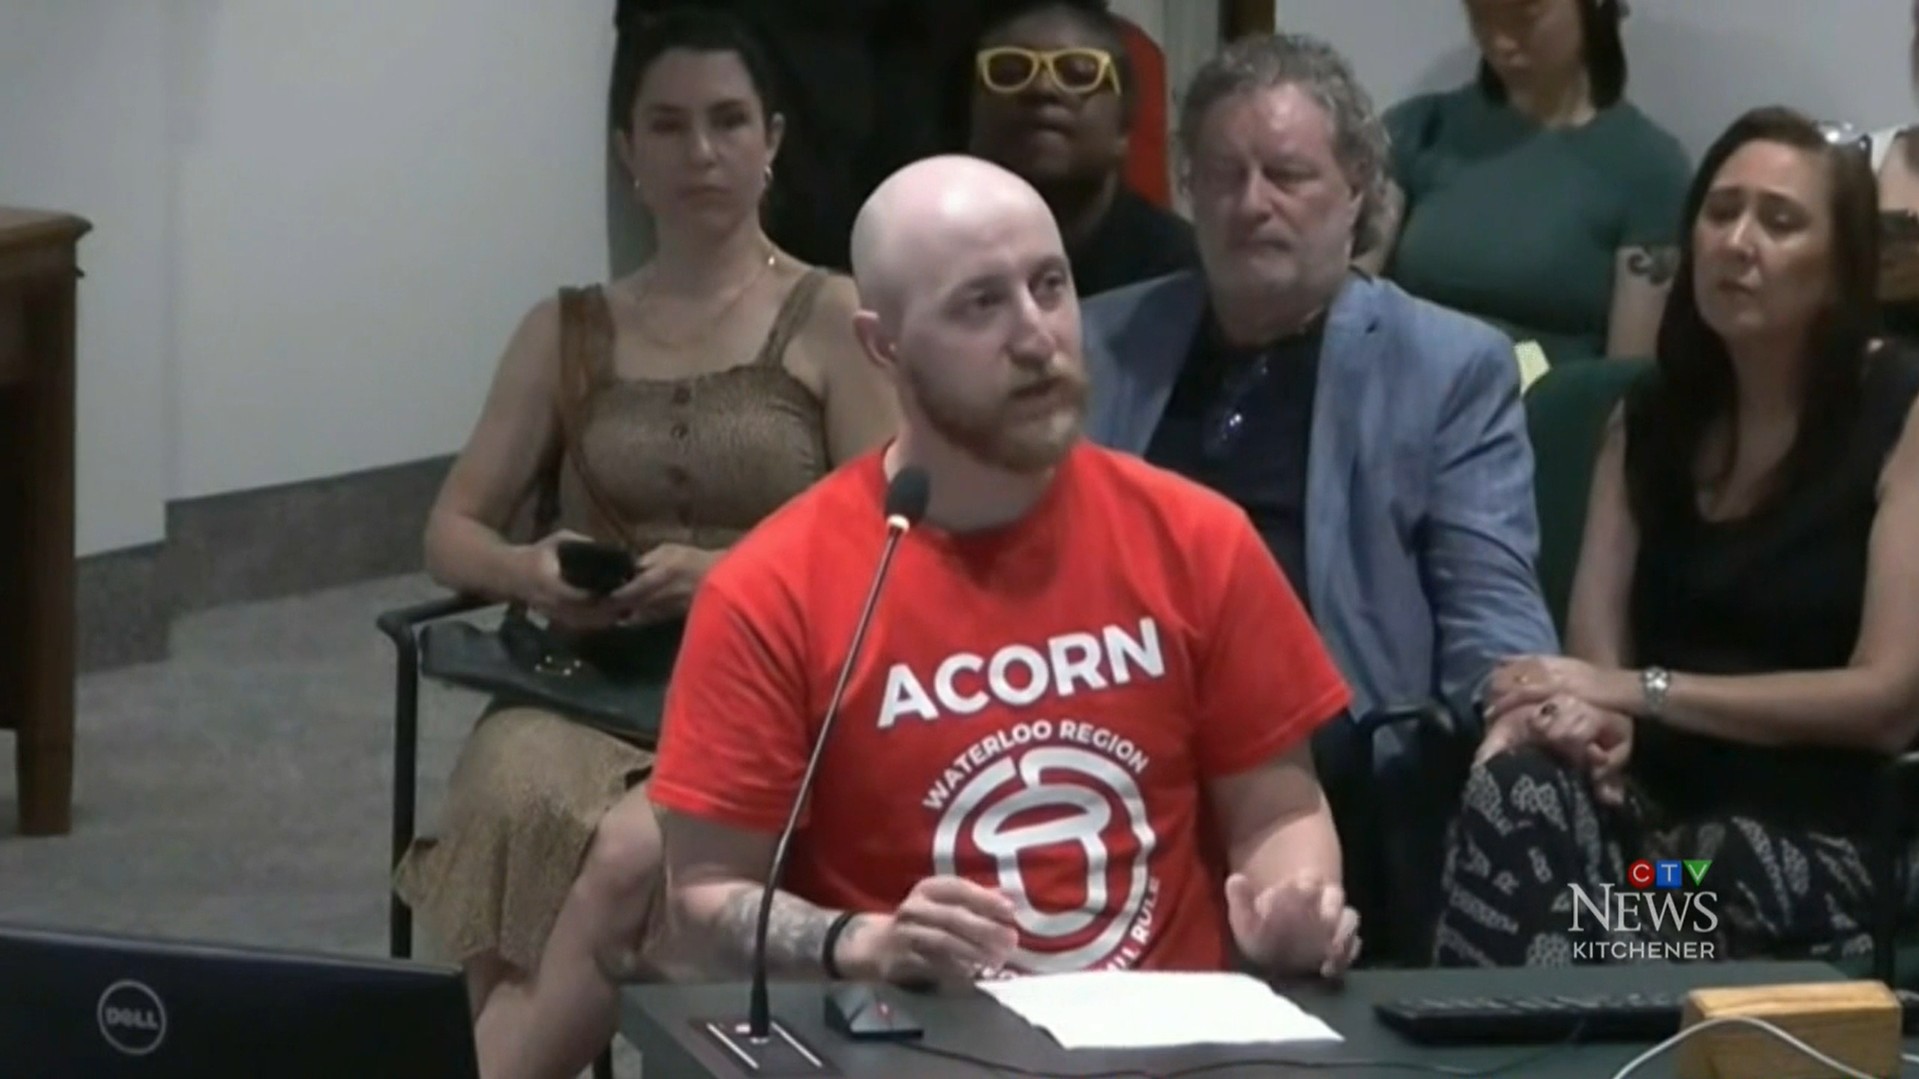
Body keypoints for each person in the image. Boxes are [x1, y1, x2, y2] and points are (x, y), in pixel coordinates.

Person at [647, 154, 1362, 985]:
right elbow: (703, 895)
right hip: (917, 1032)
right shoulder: (773, 589)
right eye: (980, 303)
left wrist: (1290, 904)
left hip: (1168, 1028)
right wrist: (860, 941)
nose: (1036, 336)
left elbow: (1279, 808)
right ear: (882, 345)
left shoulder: (1197, 536)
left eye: (1049, 286)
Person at [393, 11, 896, 1077]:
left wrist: (731, 575)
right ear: (629, 152)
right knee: (513, 789)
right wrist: (532, 571)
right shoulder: (566, 328)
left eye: (727, 122)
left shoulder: (831, 316)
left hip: (773, 682)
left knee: (636, 846)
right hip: (583, 677)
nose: (699, 152)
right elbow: (449, 530)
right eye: (667, 126)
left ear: (771, 140)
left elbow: (892, 539)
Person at [1434, 106, 1919, 968]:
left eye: (1778, 221)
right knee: (1517, 795)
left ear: (1838, 266)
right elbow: (1595, 667)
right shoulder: (1646, 420)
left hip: (1821, 837)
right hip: (1650, 821)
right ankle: (1493, 1014)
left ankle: (1539, 990)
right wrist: (1569, 715)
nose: (1737, 242)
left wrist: (1643, 692)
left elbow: (1885, 702)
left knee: (1651, 893)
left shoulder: (1898, 409)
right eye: (1719, 212)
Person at [1083, 32, 1557, 761]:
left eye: (1287, 175)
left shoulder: (1449, 366)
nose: (1251, 204)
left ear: (1356, 187)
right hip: (1109, 729)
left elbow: (1490, 602)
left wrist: (1520, 706)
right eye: (1222, 175)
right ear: (1188, 188)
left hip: (1330, 748)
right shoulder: (1101, 340)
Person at [1374, 0, 1690, 366]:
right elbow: (1349, 297)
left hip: (1540, 394)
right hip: (1399, 381)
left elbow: (1626, 376)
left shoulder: (1648, 167)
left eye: (1526, 17)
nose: (1502, 42)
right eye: (1481, 17)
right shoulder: (1418, 130)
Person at [964, 0, 1196, 297]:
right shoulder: (926, 253)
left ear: (1124, 125)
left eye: (1078, 74)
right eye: (1009, 72)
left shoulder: (1184, 277)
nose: (1042, 88)